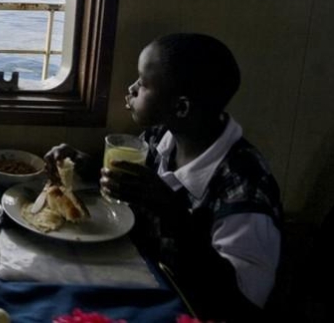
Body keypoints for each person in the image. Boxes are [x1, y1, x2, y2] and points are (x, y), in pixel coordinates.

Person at [44, 33, 282, 322]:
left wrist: (173, 214)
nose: (131, 88)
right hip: (147, 279)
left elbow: (243, 306)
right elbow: (135, 187)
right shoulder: (161, 137)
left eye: (143, 84)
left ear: (181, 107)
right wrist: (86, 166)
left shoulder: (245, 188)